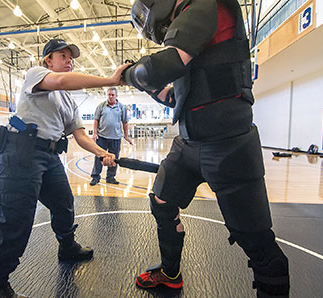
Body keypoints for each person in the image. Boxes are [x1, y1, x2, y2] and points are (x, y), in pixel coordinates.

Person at [123, 0, 290, 297]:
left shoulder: (207, 5)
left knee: (256, 240)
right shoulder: (193, 42)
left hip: (229, 144)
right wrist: (144, 85)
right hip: (188, 144)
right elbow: (175, 98)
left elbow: (162, 66)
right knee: (161, 201)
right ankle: (170, 273)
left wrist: (132, 74)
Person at [0, 38, 129, 298]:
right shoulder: (36, 75)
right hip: (20, 152)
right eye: (63, 56)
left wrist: (104, 153)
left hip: (48, 156)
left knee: (64, 203)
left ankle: (67, 246)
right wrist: (110, 80)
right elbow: (60, 81)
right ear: (48, 60)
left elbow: (81, 136)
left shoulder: (68, 101)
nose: (69, 60)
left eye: (71, 57)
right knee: (16, 221)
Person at [89, 87, 133, 186]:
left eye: (113, 95)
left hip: (116, 138)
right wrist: (95, 133)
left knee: (114, 158)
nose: (111, 96)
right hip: (102, 137)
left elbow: (125, 122)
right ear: (107, 95)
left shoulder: (121, 107)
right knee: (98, 157)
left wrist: (126, 136)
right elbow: (96, 120)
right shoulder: (101, 106)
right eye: (109, 94)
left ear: (116, 96)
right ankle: (95, 177)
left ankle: (111, 177)